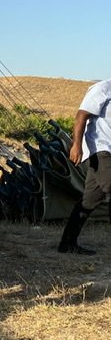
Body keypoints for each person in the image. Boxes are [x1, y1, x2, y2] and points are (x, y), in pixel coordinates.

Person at [58, 77, 111, 255]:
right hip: (101, 150)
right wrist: (76, 145)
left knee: (88, 202)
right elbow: (82, 115)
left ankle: (67, 244)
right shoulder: (103, 88)